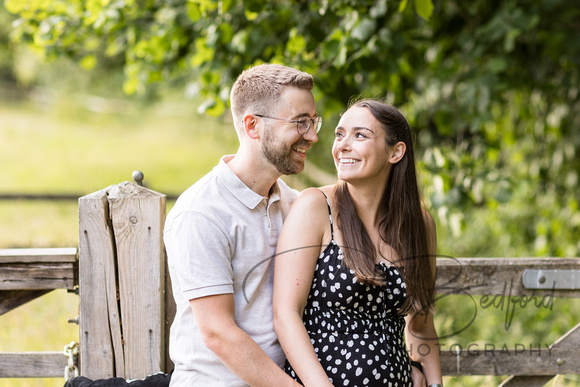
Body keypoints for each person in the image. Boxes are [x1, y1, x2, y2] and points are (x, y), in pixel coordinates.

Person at [164, 63, 321, 386]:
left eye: (313, 122)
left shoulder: (294, 204)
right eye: (301, 123)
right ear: (253, 126)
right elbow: (218, 333)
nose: (313, 136)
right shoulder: (201, 212)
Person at [273, 99, 443, 386]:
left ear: (396, 152)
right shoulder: (315, 207)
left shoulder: (419, 225)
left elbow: (422, 326)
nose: (343, 145)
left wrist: (435, 383)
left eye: (360, 135)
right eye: (339, 135)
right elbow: (286, 315)